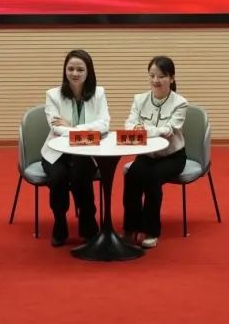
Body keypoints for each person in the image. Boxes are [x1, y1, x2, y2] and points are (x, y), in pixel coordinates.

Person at [41, 49, 110, 246]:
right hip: (57, 151)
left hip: (86, 151)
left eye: (80, 69)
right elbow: (55, 128)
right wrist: (87, 129)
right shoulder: (53, 95)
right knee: (58, 178)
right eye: (70, 69)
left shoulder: (98, 93)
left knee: (81, 175)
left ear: (89, 72)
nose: (75, 73)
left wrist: (72, 127)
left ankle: (88, 224)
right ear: (65, 70)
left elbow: (104, 125)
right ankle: (60, 223)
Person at [122, 56, 188, 249]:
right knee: (132, 175)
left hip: (172, 156)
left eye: (161, 76)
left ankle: (151, 230)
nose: (156, 80)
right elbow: (129, 125)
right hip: (147, 155)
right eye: (152, 76)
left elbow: (168, 130)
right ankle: (131, 227)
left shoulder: (180, 103)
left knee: (152, 178)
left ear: (172, 78)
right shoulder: (139, 99)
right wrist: (143, 129)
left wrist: (144, 130)